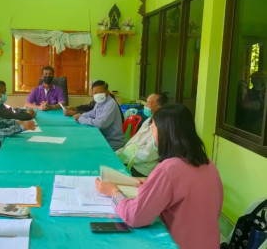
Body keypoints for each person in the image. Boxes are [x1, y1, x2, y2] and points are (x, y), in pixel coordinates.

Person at [95, 104, 223, 249]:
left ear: (164, 134)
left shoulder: (168, 169)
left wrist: (113, 192)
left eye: (153, 130)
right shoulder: (209, 165)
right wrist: (151, 183)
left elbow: (135, 216)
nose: (152, 135)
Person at [115, 92, 168, 177]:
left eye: (149, 103)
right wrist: (120, 153)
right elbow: (135, 141)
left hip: (142, 169)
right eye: (146, 102)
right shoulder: (150, 119)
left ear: (159, 107)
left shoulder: (161, 127)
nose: (146, 106)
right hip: (131, 160)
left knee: (110, 173)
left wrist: (124, 155)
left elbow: (147, 155)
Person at [73, 80, 125, 150]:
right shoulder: (99, 102)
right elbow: (92, 113)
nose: (96, 95)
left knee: (87, 150)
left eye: (99, 93)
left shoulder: (110, 104)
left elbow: (101, 124)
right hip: (103, 137)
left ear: (107, 93)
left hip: (112, 143)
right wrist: (81, 115)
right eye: (94, 93)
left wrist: (80, 119)